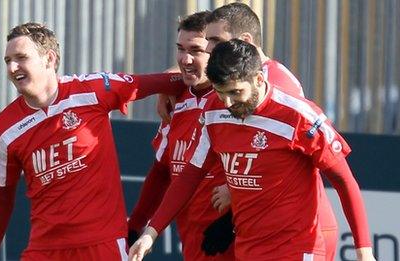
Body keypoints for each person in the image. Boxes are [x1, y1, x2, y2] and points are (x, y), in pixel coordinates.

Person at [129, 40, 376, 261]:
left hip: (295, 249)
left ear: (259, 79)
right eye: (220, 93)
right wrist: (151, 233)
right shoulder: (214, 111)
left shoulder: (299, 117)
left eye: (236, 93)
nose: (228, 103)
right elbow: (190, 174)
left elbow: (344, 181)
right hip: (247, 249)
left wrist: (363, 250)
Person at [0, 22, 186, 261]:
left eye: (21, 57)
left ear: (49, 58)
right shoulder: (3, 130)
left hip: (103, 245)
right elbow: (1, 197)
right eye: (8, 60)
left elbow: (165, 81)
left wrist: (172, 79)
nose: (12, 67)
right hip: (44, 250)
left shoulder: (92, 90)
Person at [203, 4, 340, 260]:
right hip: (270, 232)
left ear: (245, 41)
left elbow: (275, 159)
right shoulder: (239, 83)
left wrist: (235, 193)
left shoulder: (275, 85)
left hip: (303, 230)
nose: (208, 48)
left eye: (215, 40)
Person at [127, 11, 234, 260]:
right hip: (192, 241)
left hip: (232, 240)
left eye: (195, 50)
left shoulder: (232, 101)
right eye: (180, 49)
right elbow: (163, 170)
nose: (185, 59)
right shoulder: (177, 101)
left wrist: (232, 216)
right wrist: (136, 225)